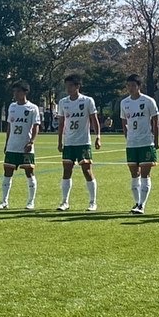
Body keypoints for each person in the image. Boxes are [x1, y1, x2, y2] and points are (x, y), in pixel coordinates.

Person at [56, 73, 101, 212]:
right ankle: (64, 202)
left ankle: (93, 202)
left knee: (87, 171)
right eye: (66, 86)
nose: (68, 89)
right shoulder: (63, 102)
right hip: (69, 143)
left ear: (77, 86)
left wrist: (98, 136)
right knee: (66, 171)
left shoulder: (87, 101)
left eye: (70, 86)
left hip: (83, 142)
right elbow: (62, 123)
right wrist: (60, 141)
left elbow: (94, 120)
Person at [0, 80, 41, 210]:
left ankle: (31, 202)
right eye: (14, 91)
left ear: (25, 92)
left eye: (18, 91)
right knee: (7, 172)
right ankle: (4, 201)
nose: (15, 94)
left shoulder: (32, 108)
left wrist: (31, 142)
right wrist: (6, 143)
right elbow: (9, 126)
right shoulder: (12, 107)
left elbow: (36, 126)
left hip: (25, 146)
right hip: (12, 146)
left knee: (29, 172)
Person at [121, 74, 159, 214]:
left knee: (145, 174)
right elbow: (124, 121)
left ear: (139, 86)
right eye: (128, 85)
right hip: (132, 144)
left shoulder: (148, 101)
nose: (130, 88)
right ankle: (137, 203)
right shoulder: (124, 102)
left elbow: (156, 120)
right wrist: (127, 136)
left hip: (146, 143)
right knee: (134, 174)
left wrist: (156, 140)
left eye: (133, 85)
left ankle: (142, 205)